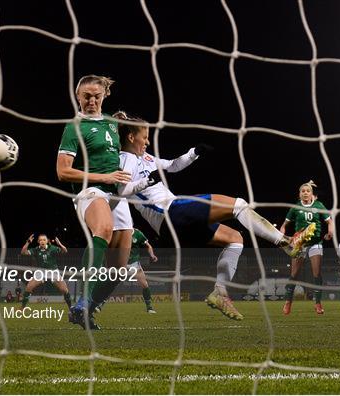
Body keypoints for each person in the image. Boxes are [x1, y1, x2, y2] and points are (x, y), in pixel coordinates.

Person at [115, 111, 316, 321]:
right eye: (145, 137)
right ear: (131, 137)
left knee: (235, 239)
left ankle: (220, 292)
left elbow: (173, 165)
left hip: (175, 223)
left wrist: (193, 152)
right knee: (238, 205)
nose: (148, 141)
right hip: (171, 212)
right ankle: (286, 243)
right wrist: (144, 183)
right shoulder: (125, 158)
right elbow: (121, 189)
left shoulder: (145, 158)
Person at [56, 75, 133, 329]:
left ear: (104, 96)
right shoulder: (73, 127)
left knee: (119, 270)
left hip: (117, 194)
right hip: (90, 191)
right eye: (86, 96)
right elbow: (63, 171)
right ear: (78, 97)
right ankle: (82, 299)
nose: (91, 101)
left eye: (96, 96)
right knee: (103, 229)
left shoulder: (111, 123)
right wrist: (105, 176)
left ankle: (86, 311)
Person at [280, 181, 333, 315]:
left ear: (311, 194)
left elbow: (329, 221)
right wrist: (283, 234)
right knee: (294, 274)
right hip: (300, 244)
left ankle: (318, 303)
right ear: (299, 194)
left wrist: (330, 232)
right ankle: (288, 302)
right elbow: (284, 225)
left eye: (307, 191)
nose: (305, 193)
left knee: (317, 273)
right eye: (302, 191)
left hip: (316, 243)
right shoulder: (295, 207)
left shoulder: (318, 205)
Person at [95, 228, 159, 314]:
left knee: (144, 284)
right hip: (121, 263)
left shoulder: (137, 234)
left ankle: (149, 307)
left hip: (134, 264)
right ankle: (99, 305)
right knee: (111, 284)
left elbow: (148, 245)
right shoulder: (119, 233)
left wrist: (152, 255)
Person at [20, 234, 71, 309]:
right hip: (41, 272)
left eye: (44, 239)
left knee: (64, 289)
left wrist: (59, 244)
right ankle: (22, 308)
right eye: (40, 240)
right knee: (29, 287)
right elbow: (23, 252)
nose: (42, 241)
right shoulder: (36, 250)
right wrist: (28, 242)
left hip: (53, 271)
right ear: (38, 242)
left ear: (47, 241)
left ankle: (71, 308)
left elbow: (65, 251)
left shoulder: (52, 248)